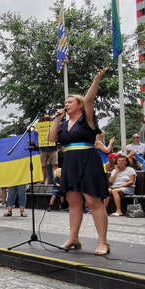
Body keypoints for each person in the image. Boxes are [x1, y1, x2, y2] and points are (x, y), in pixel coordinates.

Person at [47, 67, 111, 255]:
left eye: (70, 102)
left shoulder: (87, 119)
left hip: (87, 160)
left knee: (93, 201)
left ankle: (103, 242)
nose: (66, 105)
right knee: (73, 201)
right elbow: (51, 139)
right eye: (65, 102)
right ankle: (73, 238)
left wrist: (97, 79)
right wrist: (57, 119)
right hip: (70, 162)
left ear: (80, 105)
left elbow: (90, 99)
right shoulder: (65, 124)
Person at [39, 115, 59, 184]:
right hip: (43, 148)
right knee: (42, 165)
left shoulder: (53, 125)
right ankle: (41, 180)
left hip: (53, 148)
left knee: (55, 164)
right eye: (45, 118)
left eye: (47, 118)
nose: (46, 119)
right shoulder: (40, 127)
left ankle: (57, 179)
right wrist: (37, 132)